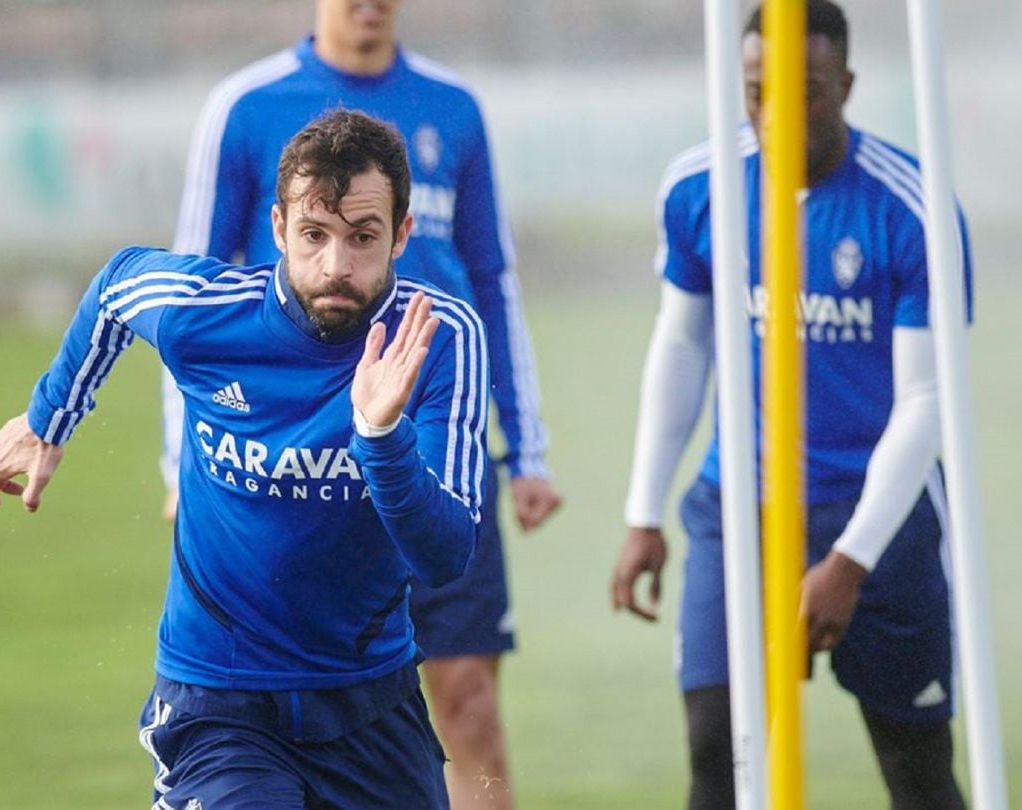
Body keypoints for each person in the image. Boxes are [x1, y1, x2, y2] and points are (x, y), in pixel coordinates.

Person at [0, 109, 489, 809]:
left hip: (370, 705)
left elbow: (444, 555)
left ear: (401, 233)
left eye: (363, 238)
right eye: (314, 235)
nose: (336, 265)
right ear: (277, 229)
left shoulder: (439, 339)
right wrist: (50, 417)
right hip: (219, 704)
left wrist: (379, 436)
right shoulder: (206, 313)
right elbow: (118, 285)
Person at [161, 2, 561, 805]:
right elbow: (191, 297)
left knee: (471, 706)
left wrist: (527, 446)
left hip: (438, 447)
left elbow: (493, 279)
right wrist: (179, 458)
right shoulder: (246, 106)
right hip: (299, 454)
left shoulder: (455, 107)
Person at [611, 2, 971, 808]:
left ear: (844, 85)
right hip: (739, 505)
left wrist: (850, 561)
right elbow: (681, 347)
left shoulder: (908, 207)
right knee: (717, 751)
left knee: (915, 767)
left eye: (803, 90)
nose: (774, 114)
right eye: (754, 90)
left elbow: (925, 398)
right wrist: (644, 512)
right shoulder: (700, 186)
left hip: (881, 519)